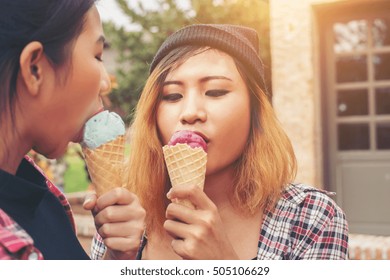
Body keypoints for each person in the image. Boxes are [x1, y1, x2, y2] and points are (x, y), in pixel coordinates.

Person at [91, 24, 349, 260]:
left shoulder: (311, 219)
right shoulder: (124, 214)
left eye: (215, 91)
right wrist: (116, 260)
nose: (190, 112)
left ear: (256, 111)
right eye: (172, 96)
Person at [0, 0, 145, 260]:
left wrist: (117, 258)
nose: (105, 83)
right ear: (35, 69)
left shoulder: (43, 197)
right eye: (97, 56)